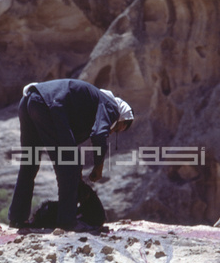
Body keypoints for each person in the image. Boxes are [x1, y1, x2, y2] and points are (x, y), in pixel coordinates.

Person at [8, 79, 133, 231]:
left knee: (30, 163)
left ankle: (17, 218)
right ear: (121, 116)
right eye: (118, 127)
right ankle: (67, 222)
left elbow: (68, 141)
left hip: (29, 101)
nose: (113, 131)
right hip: (48, 104)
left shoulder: (91, 104)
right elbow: (99, 134)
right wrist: (98, 166)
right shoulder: (111, 106)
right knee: (69, 167)